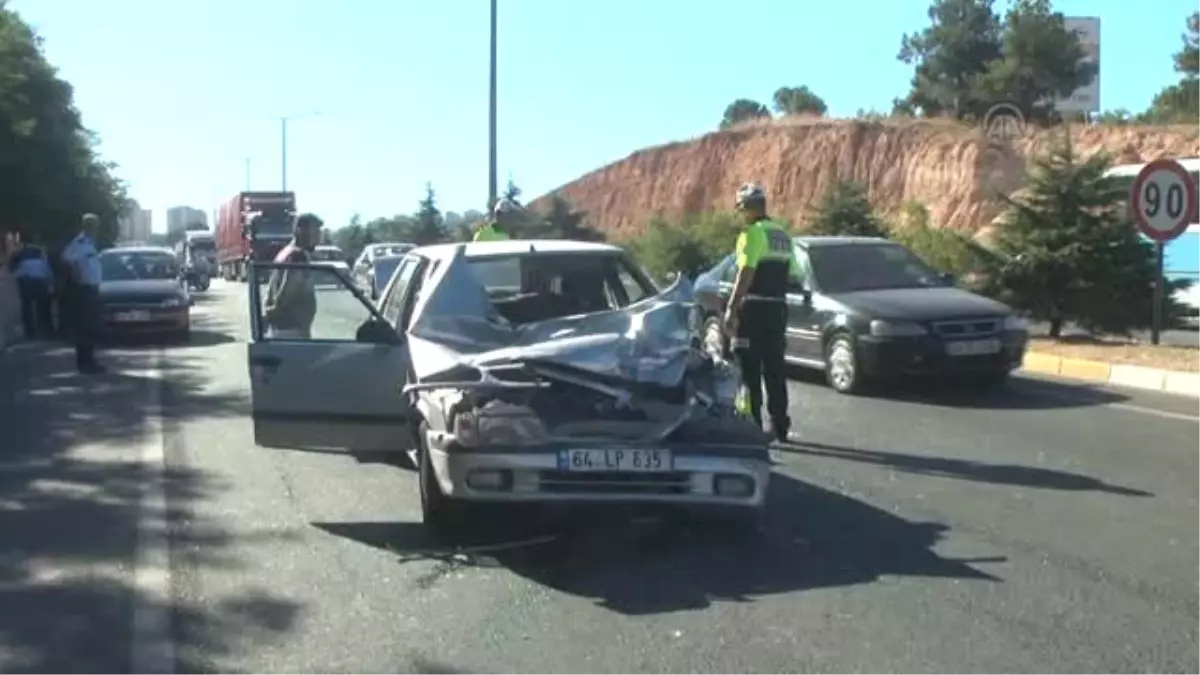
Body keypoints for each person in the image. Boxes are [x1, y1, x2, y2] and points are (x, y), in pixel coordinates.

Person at [721, 182, 800, 442]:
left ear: (746, 209)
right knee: (775, 368)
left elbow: (746, 271)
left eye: (740, 209)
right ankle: (780, 425)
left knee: (748, 368)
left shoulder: (751, 233)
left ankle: (752, 425)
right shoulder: (782, 234)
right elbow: (794, 274)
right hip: (777, 308)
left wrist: (732, 307)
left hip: (753, 308)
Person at [263, 213, 323, 339]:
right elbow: (285, 295)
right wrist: (272, 313)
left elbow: (270, 292)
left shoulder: (284, 253)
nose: (319, 236)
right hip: (291, 332)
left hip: (282, 330)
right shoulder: (297, 257)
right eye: (315, 230)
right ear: (300, 231)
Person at [60, 214, 106, 374]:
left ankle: (90, 360)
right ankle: (84, 363)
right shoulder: (78, 243)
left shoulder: (90, 243)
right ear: (86, 226)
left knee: (91, 327)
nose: (95, 228)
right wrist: (76, 274)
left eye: (96, 225)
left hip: (92, 289)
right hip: (83, 289)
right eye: (92, 225)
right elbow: (66, 258)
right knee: (84, 328)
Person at [8, 231, 55, 338]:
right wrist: (50, 281)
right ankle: (43, 328)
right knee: (42, 305)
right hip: (39, 279)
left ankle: (29, 330)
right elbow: (46, 267)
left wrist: (18, 272)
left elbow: (11, 267)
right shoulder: (40, 251)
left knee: (26, 305)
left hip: (24, 280)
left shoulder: (18, 252)